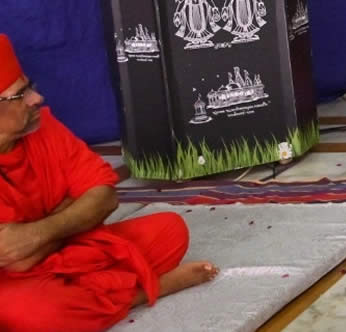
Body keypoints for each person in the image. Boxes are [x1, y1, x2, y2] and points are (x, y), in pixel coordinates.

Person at [0, 34, 217, 330]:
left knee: (171, 230)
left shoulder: (44, 127)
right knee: (30, 314)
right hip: (14, 285)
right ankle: (141, 293)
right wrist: (74, 209)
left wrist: (38, 234)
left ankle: (93, 299)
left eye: (30, 87)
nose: (36, 98)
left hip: (70, 252)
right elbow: (17, 263)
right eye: (21, 94)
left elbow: (104, 196)